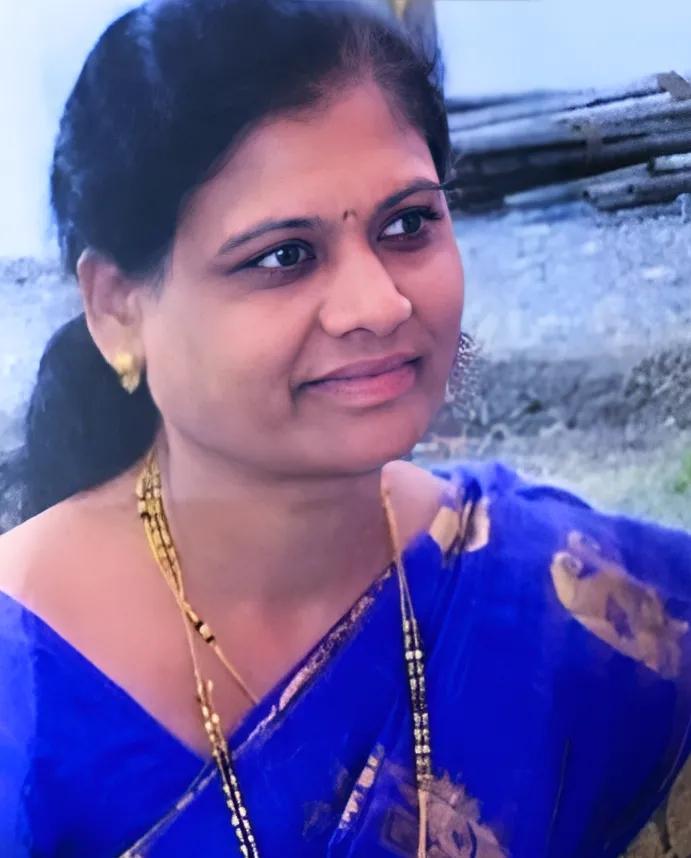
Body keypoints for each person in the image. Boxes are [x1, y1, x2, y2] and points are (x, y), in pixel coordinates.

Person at [0, 1, 689, 855]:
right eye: (283, 255)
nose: (380, 304)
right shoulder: (23, 690)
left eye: (408, 224)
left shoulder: (551, 596)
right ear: (117, 308)